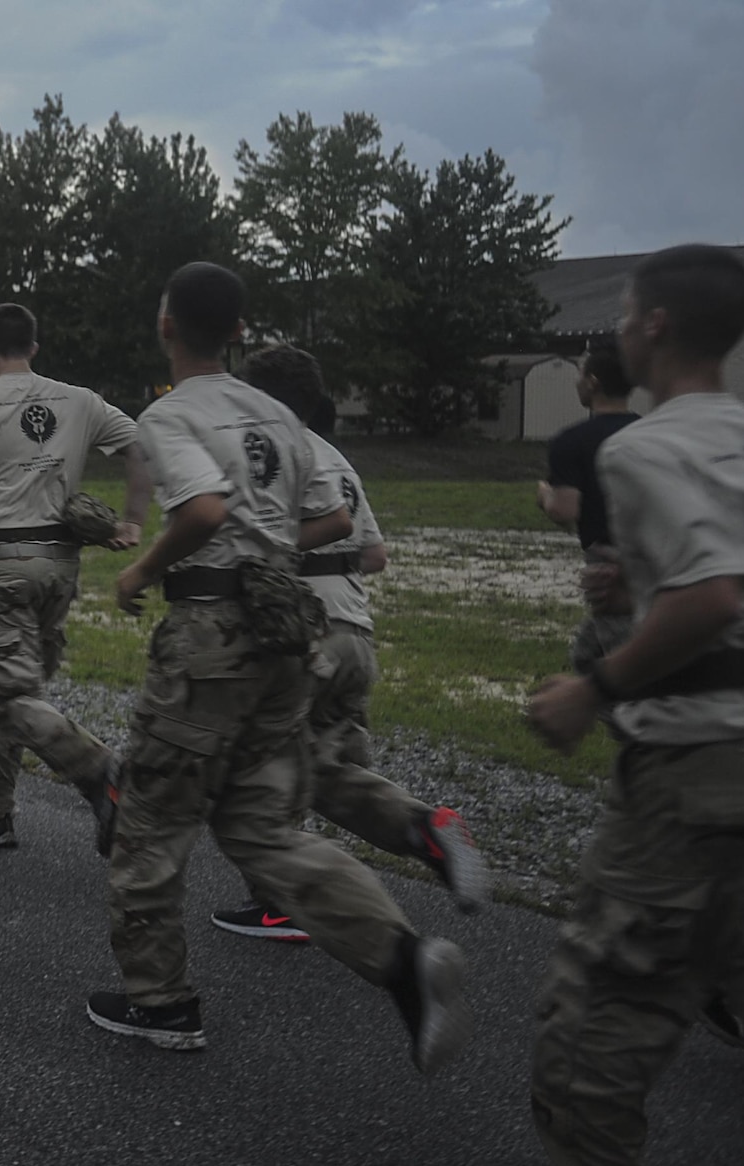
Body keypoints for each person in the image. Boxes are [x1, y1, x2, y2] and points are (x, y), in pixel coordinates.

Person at [88, 262, 471, 1077]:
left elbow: (201, 510)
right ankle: (402, 960)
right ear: (237, 329)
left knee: (152, 821)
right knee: (264, 827)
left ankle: (159, 1001)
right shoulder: (280, 417)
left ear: (165, 324)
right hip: (288, 633)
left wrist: (140, 571)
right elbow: (320, 519)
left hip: (210, 635)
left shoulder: (172, 412)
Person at [502, 244, 744, 1166]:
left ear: (652, 326)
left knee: (602, 984)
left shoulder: (638, 449)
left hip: (692, 759)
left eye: (619, 309)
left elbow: (709, 596)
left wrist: (591, 688)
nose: (610, 325)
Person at [210, 345, 489, 941]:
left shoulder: (270, 451)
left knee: (264, 769)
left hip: (303, 632)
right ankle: (425, 827)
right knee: (324, 769)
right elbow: (376, 555)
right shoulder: (336, 457)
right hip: (356, 632)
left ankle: (282, 902)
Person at [0, 302, 151, 852]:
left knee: (11, 693)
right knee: (8, 688)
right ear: (34, 346)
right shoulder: (80, 400)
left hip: (2, 560)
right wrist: (133, 521)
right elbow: (141, 447)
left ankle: (100, 769)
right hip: (60, 566)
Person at [537, 340, 641, 678]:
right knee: (585, 658)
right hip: (656, 553)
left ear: (593, 381)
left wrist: (545, 496)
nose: (577, 381)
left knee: (630, 677)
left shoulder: (572, 441)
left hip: (608, 565)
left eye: (580, 374)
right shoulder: (650, 433)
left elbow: (565, 511)